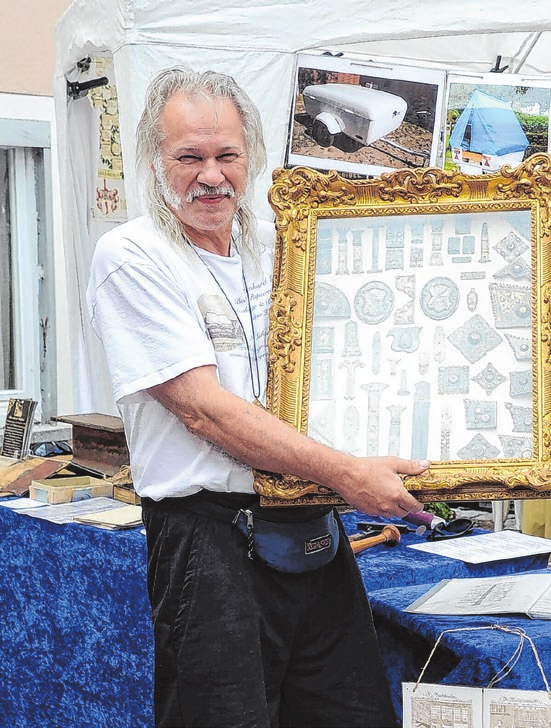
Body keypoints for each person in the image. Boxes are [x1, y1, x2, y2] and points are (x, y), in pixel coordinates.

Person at [87, 67, 427, 728]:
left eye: (226, 156)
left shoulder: (278, 243)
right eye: (189, 157)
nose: (211, 176)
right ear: (154, 162)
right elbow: (204, 410)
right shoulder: (133, 256)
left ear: (252, 158)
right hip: (211, 545)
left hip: (312, 526)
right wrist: (350, 474)